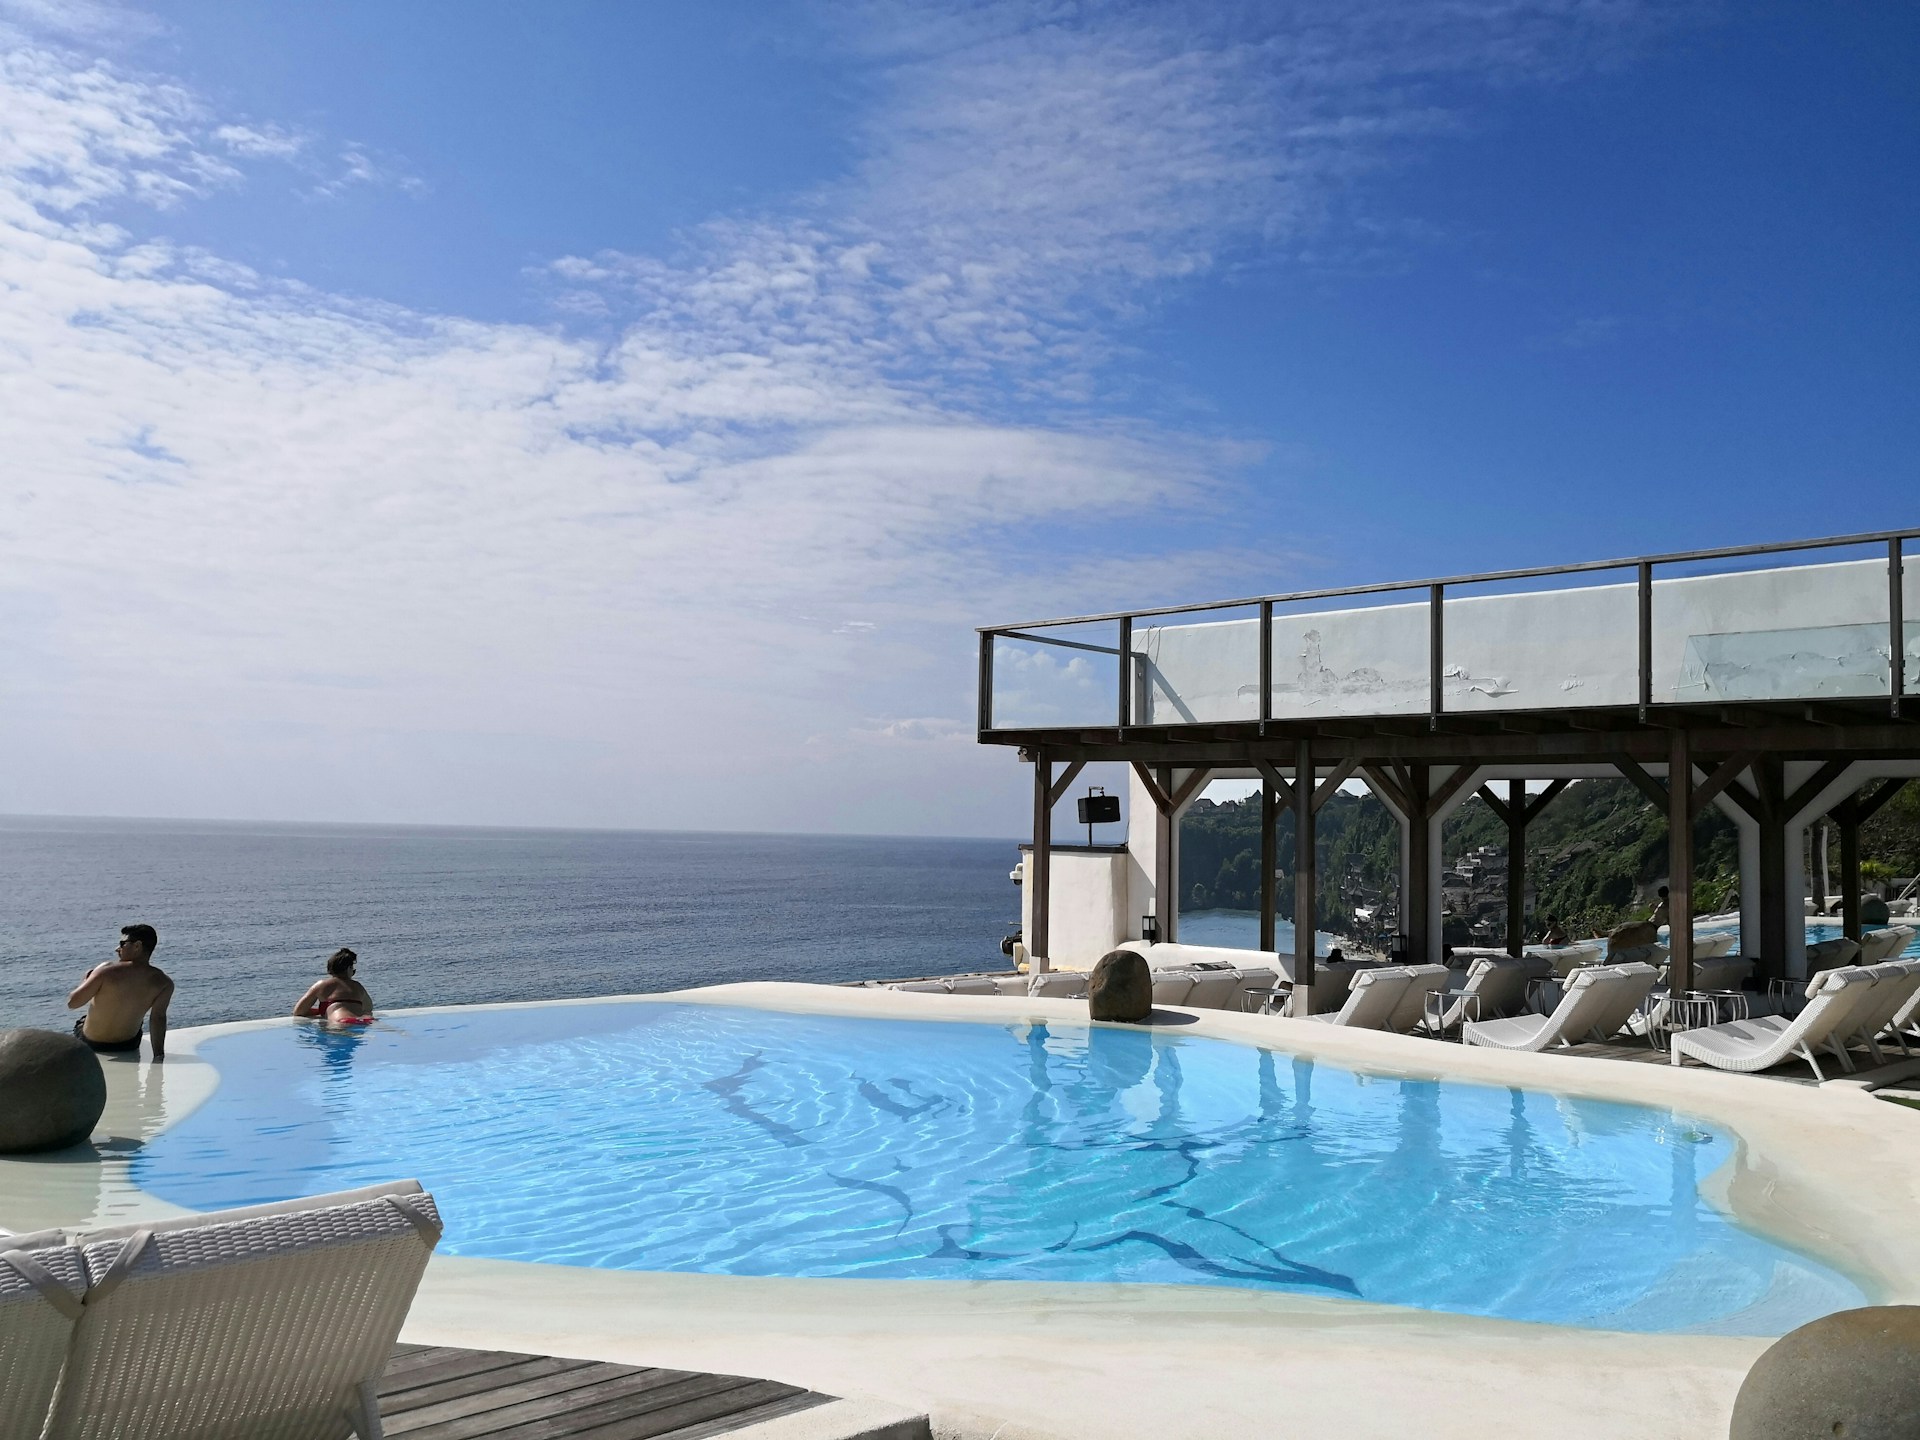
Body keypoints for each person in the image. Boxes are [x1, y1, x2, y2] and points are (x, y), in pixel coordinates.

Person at [67, 924, 173, 1060]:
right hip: (127, 1045)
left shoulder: (105, 970)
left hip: (92, 1043)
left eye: (122, 944)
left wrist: (87, 978)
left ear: (137, 946)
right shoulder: (164, 982)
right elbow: (158, 1019)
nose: (117, 949)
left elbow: (73, 1003)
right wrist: (158, 1055)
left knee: (84, 1020)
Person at [293, 948, 374, 1025]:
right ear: (348, 969)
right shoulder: (358, 986)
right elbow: (368, 1008)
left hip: (341, 1021)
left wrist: (321, 1011)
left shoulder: (321, 985)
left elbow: (299, 1011)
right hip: (364, 1021)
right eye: (353, 970)